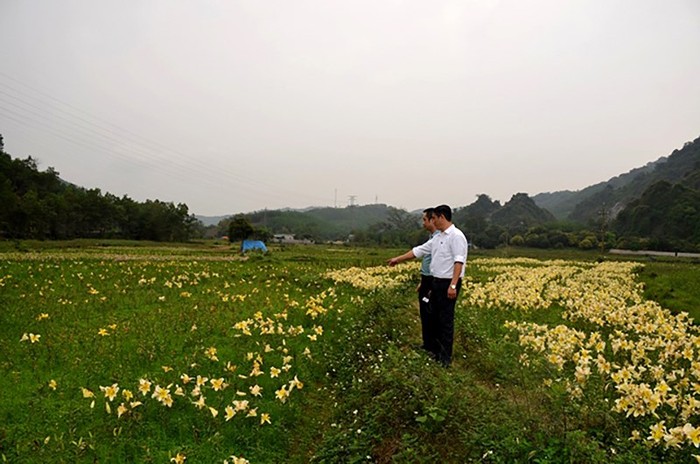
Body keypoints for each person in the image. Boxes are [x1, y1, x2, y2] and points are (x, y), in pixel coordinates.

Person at [388, 204, 468, 366]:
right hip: (436, 281)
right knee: (436, 318)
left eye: (433, 218)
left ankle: (445, 358)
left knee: (446, 320)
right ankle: (436, 353)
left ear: (441, 217)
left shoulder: (456, 236)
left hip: (448, 282)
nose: (432, 221)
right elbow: (419, 251)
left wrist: (453, 285)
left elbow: (459, 261)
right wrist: (398, 259)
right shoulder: (438, 237)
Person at [417, 208, 439, 352]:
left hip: (433, 280)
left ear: (432, 220)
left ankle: (432, 347)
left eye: (425, 220)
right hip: (427, 279)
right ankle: (427, 344)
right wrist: (422, 281)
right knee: (425, 312)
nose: (423, 223)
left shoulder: (438, 238)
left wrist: (431, 284)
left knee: (430, 313)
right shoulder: (432, 237)